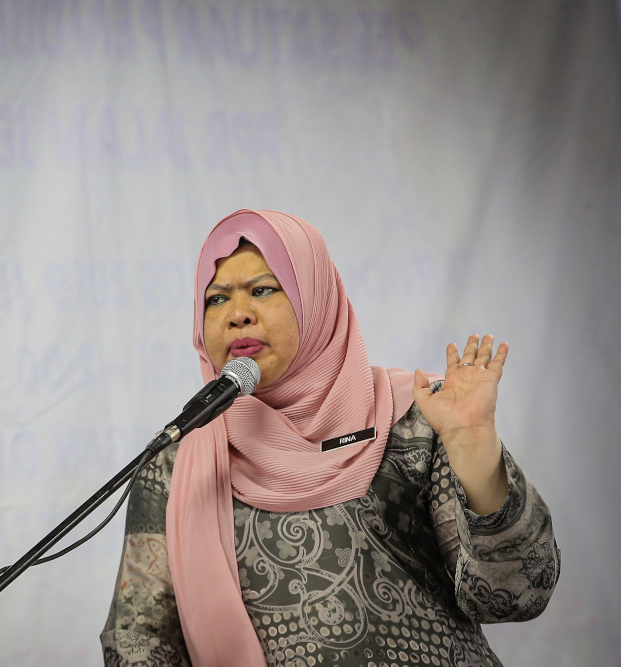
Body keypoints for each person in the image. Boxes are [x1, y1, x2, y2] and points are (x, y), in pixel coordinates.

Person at [100, 209, 559, 666]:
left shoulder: (419, 417)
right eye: (216, 300)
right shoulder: (176, 462)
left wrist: (473, 445)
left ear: (315, 301)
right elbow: (138, 639)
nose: (237, 315)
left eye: (263, 290)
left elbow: (515, 596)